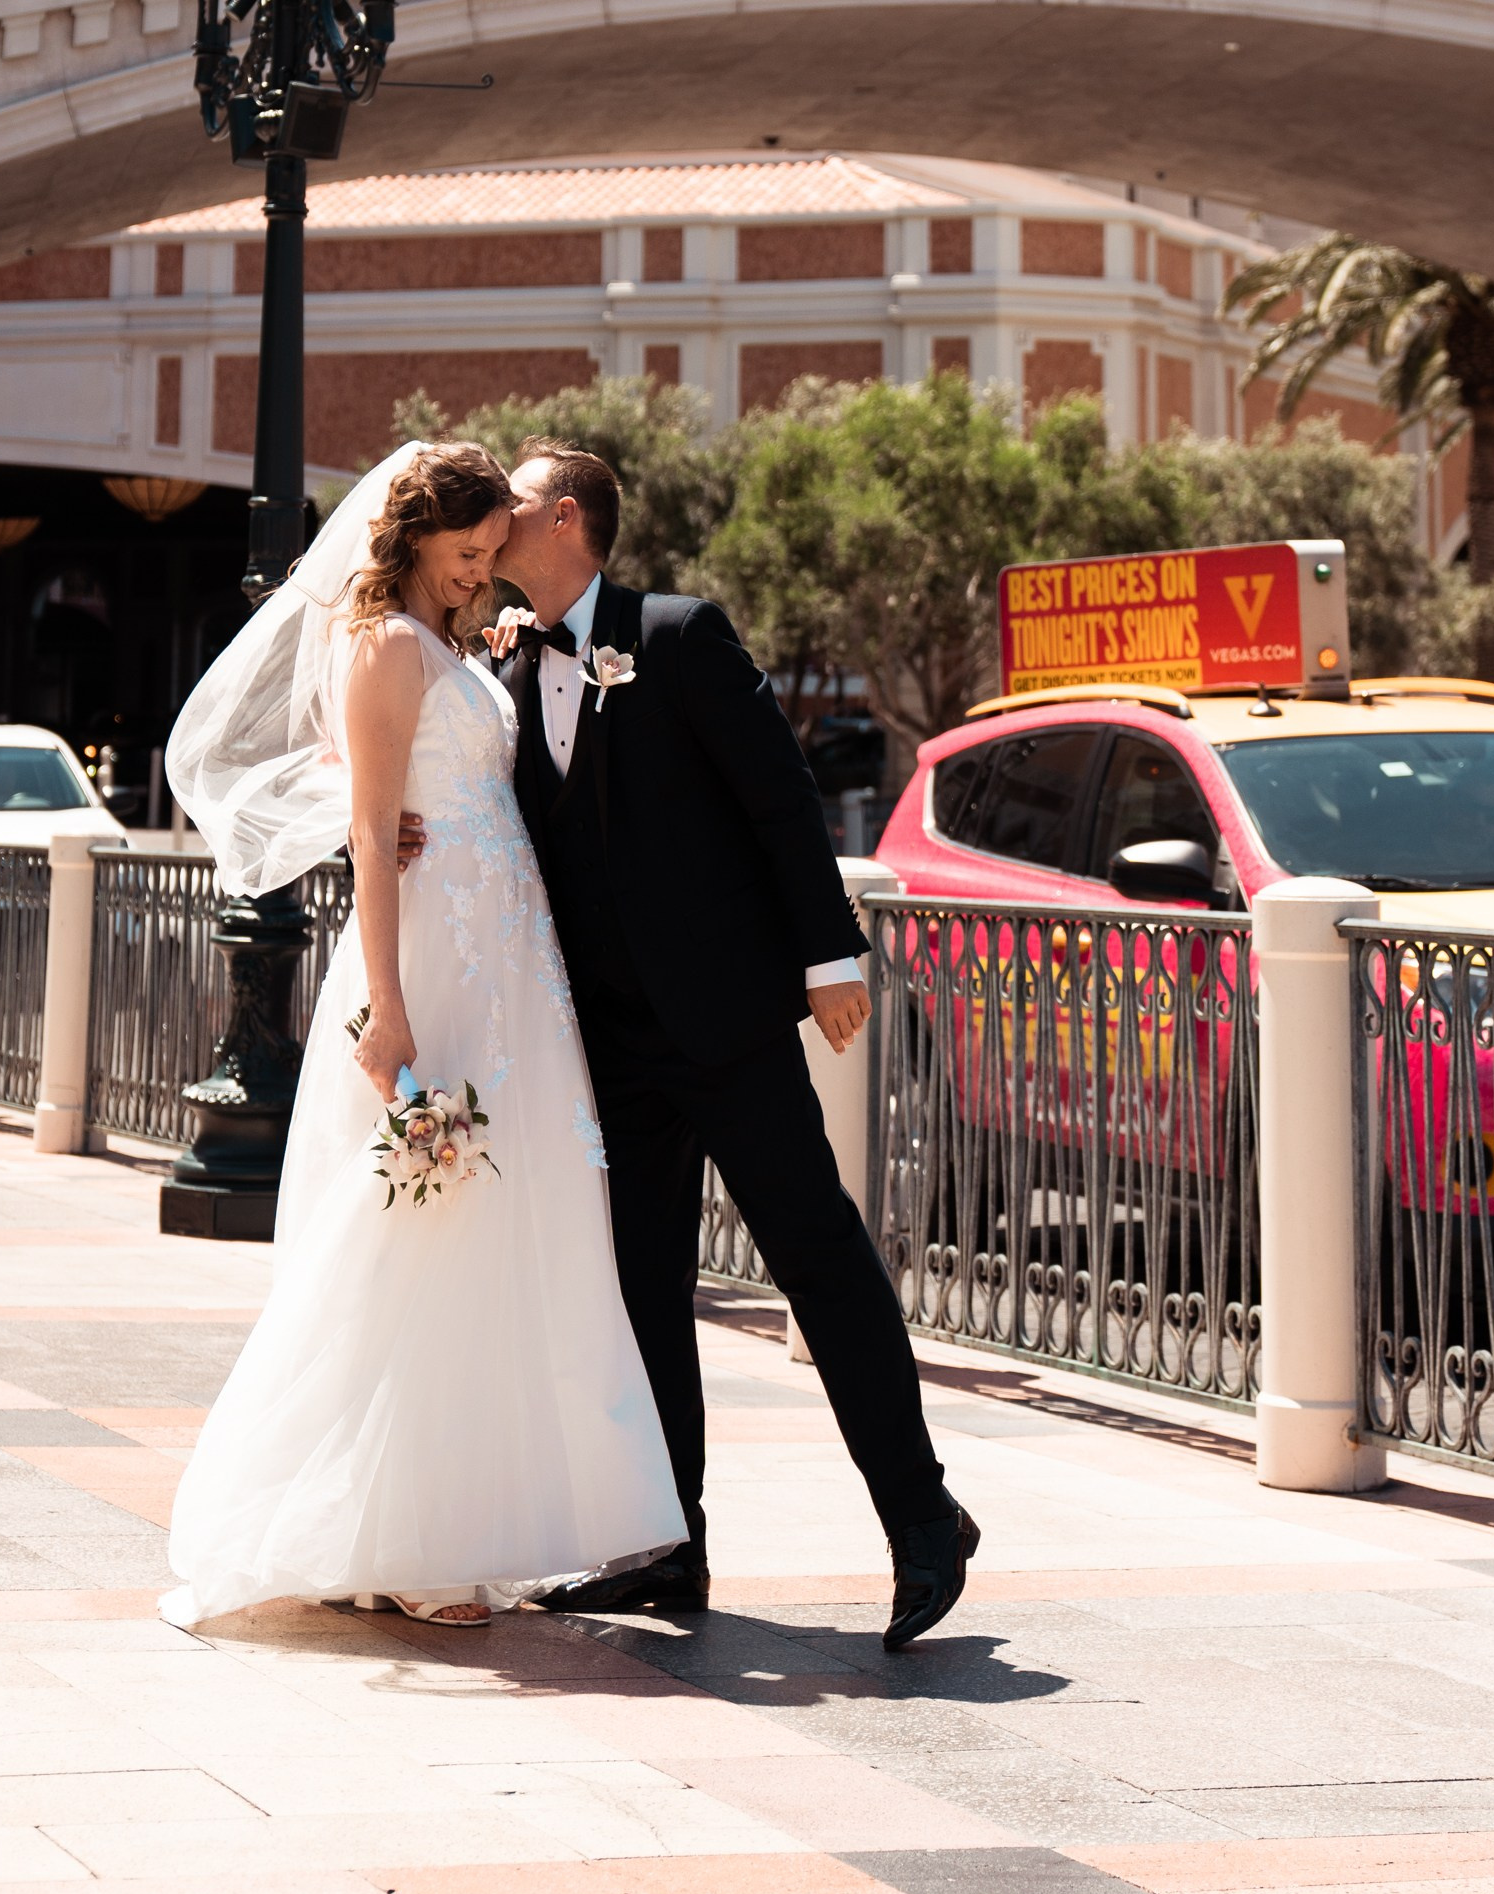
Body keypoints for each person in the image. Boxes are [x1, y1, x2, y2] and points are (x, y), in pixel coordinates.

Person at [156, 440, 684, 1631]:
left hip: (511, 965)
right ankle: (398, 1535)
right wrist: (388, 1006)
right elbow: (368, 832)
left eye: (491, 554)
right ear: (414, 537)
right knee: (421, 1222)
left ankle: (458, 1519)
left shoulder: (448, 642)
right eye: (465, 553)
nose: (480, 573)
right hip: (434, 962)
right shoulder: (386, 647)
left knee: (502, 1224)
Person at [487, 438, 977, 1653]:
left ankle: (923, 1518)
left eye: (511, 501)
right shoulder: (506, 663)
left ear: (563, 519)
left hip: (726, 1023)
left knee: (818, 1257)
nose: (491, 515)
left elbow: (778, 795)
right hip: (608, 1043)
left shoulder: (676, 633)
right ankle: (669, 1545)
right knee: (643, 1289)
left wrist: (829, 955)